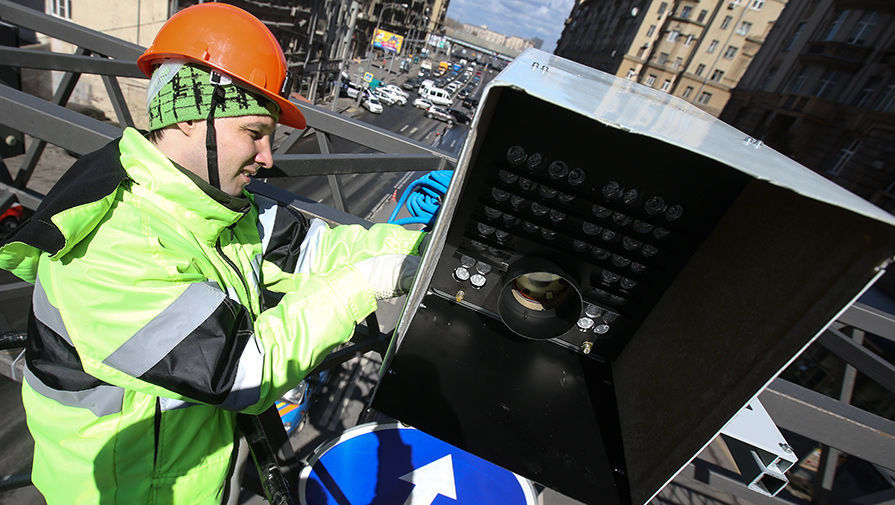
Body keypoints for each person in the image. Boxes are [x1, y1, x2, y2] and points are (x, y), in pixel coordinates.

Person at [0, 4, 423, 504]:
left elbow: (315, 249)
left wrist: (429, 249)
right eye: (254, 133)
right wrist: (368, 282)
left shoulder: (213, 209)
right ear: (191, 118)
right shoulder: (107, 244)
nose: (268, 158)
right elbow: (243, 370)